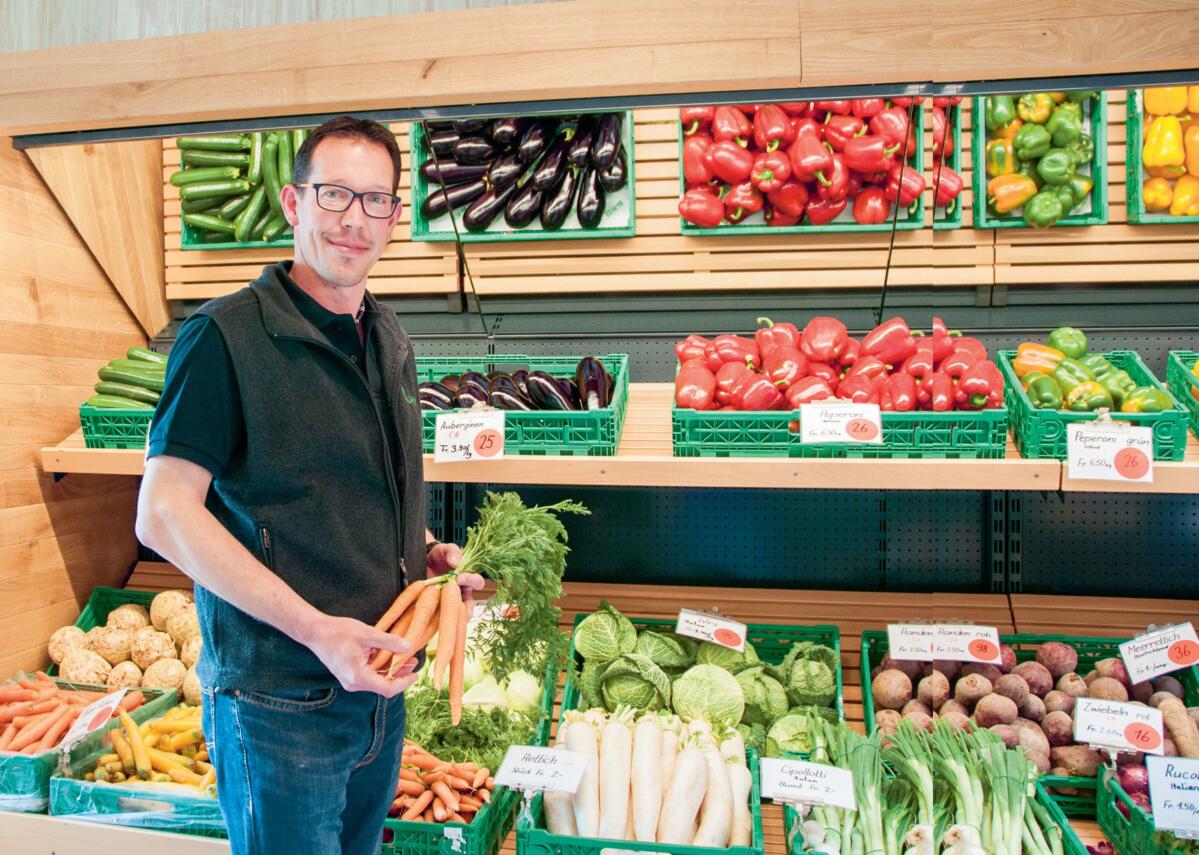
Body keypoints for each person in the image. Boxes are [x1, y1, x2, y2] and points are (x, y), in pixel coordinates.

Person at [136, 116, 483, 855]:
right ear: (294, 205)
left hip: (377, 689)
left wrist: (422, 555)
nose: (354, 220)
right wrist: (318, 631)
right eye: (334, 195)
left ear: (395, 217)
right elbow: (162, 515)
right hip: (277, 702)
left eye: (375, 200)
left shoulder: (388, 336)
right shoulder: (223, 337)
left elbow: (352, 487)